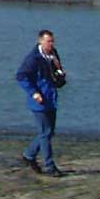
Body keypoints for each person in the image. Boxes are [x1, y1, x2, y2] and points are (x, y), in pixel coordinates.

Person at [16, 28, 67, 175]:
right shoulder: (33, 58)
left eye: (52, 41)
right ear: (40, 41)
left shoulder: (53, 54)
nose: (51, 44)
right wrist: (34, 93)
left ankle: (29, 155)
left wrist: (61, 76)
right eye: (48, 41)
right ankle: (50, 166)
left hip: (51, 98)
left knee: (49, 132)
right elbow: (21, 76)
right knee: (45, 132)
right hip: (39, 101)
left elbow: (55, 72)